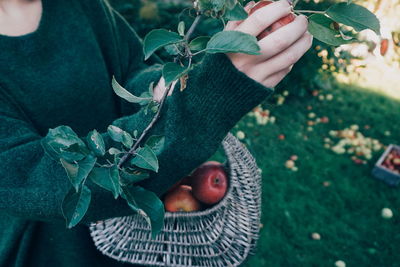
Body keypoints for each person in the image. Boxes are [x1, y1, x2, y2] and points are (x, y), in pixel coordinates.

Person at [0, 0, 312, 266]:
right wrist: (204, 105)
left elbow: (132, 69)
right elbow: (33, 177)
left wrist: (167, 87)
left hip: (135, 231)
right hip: (46, 251)